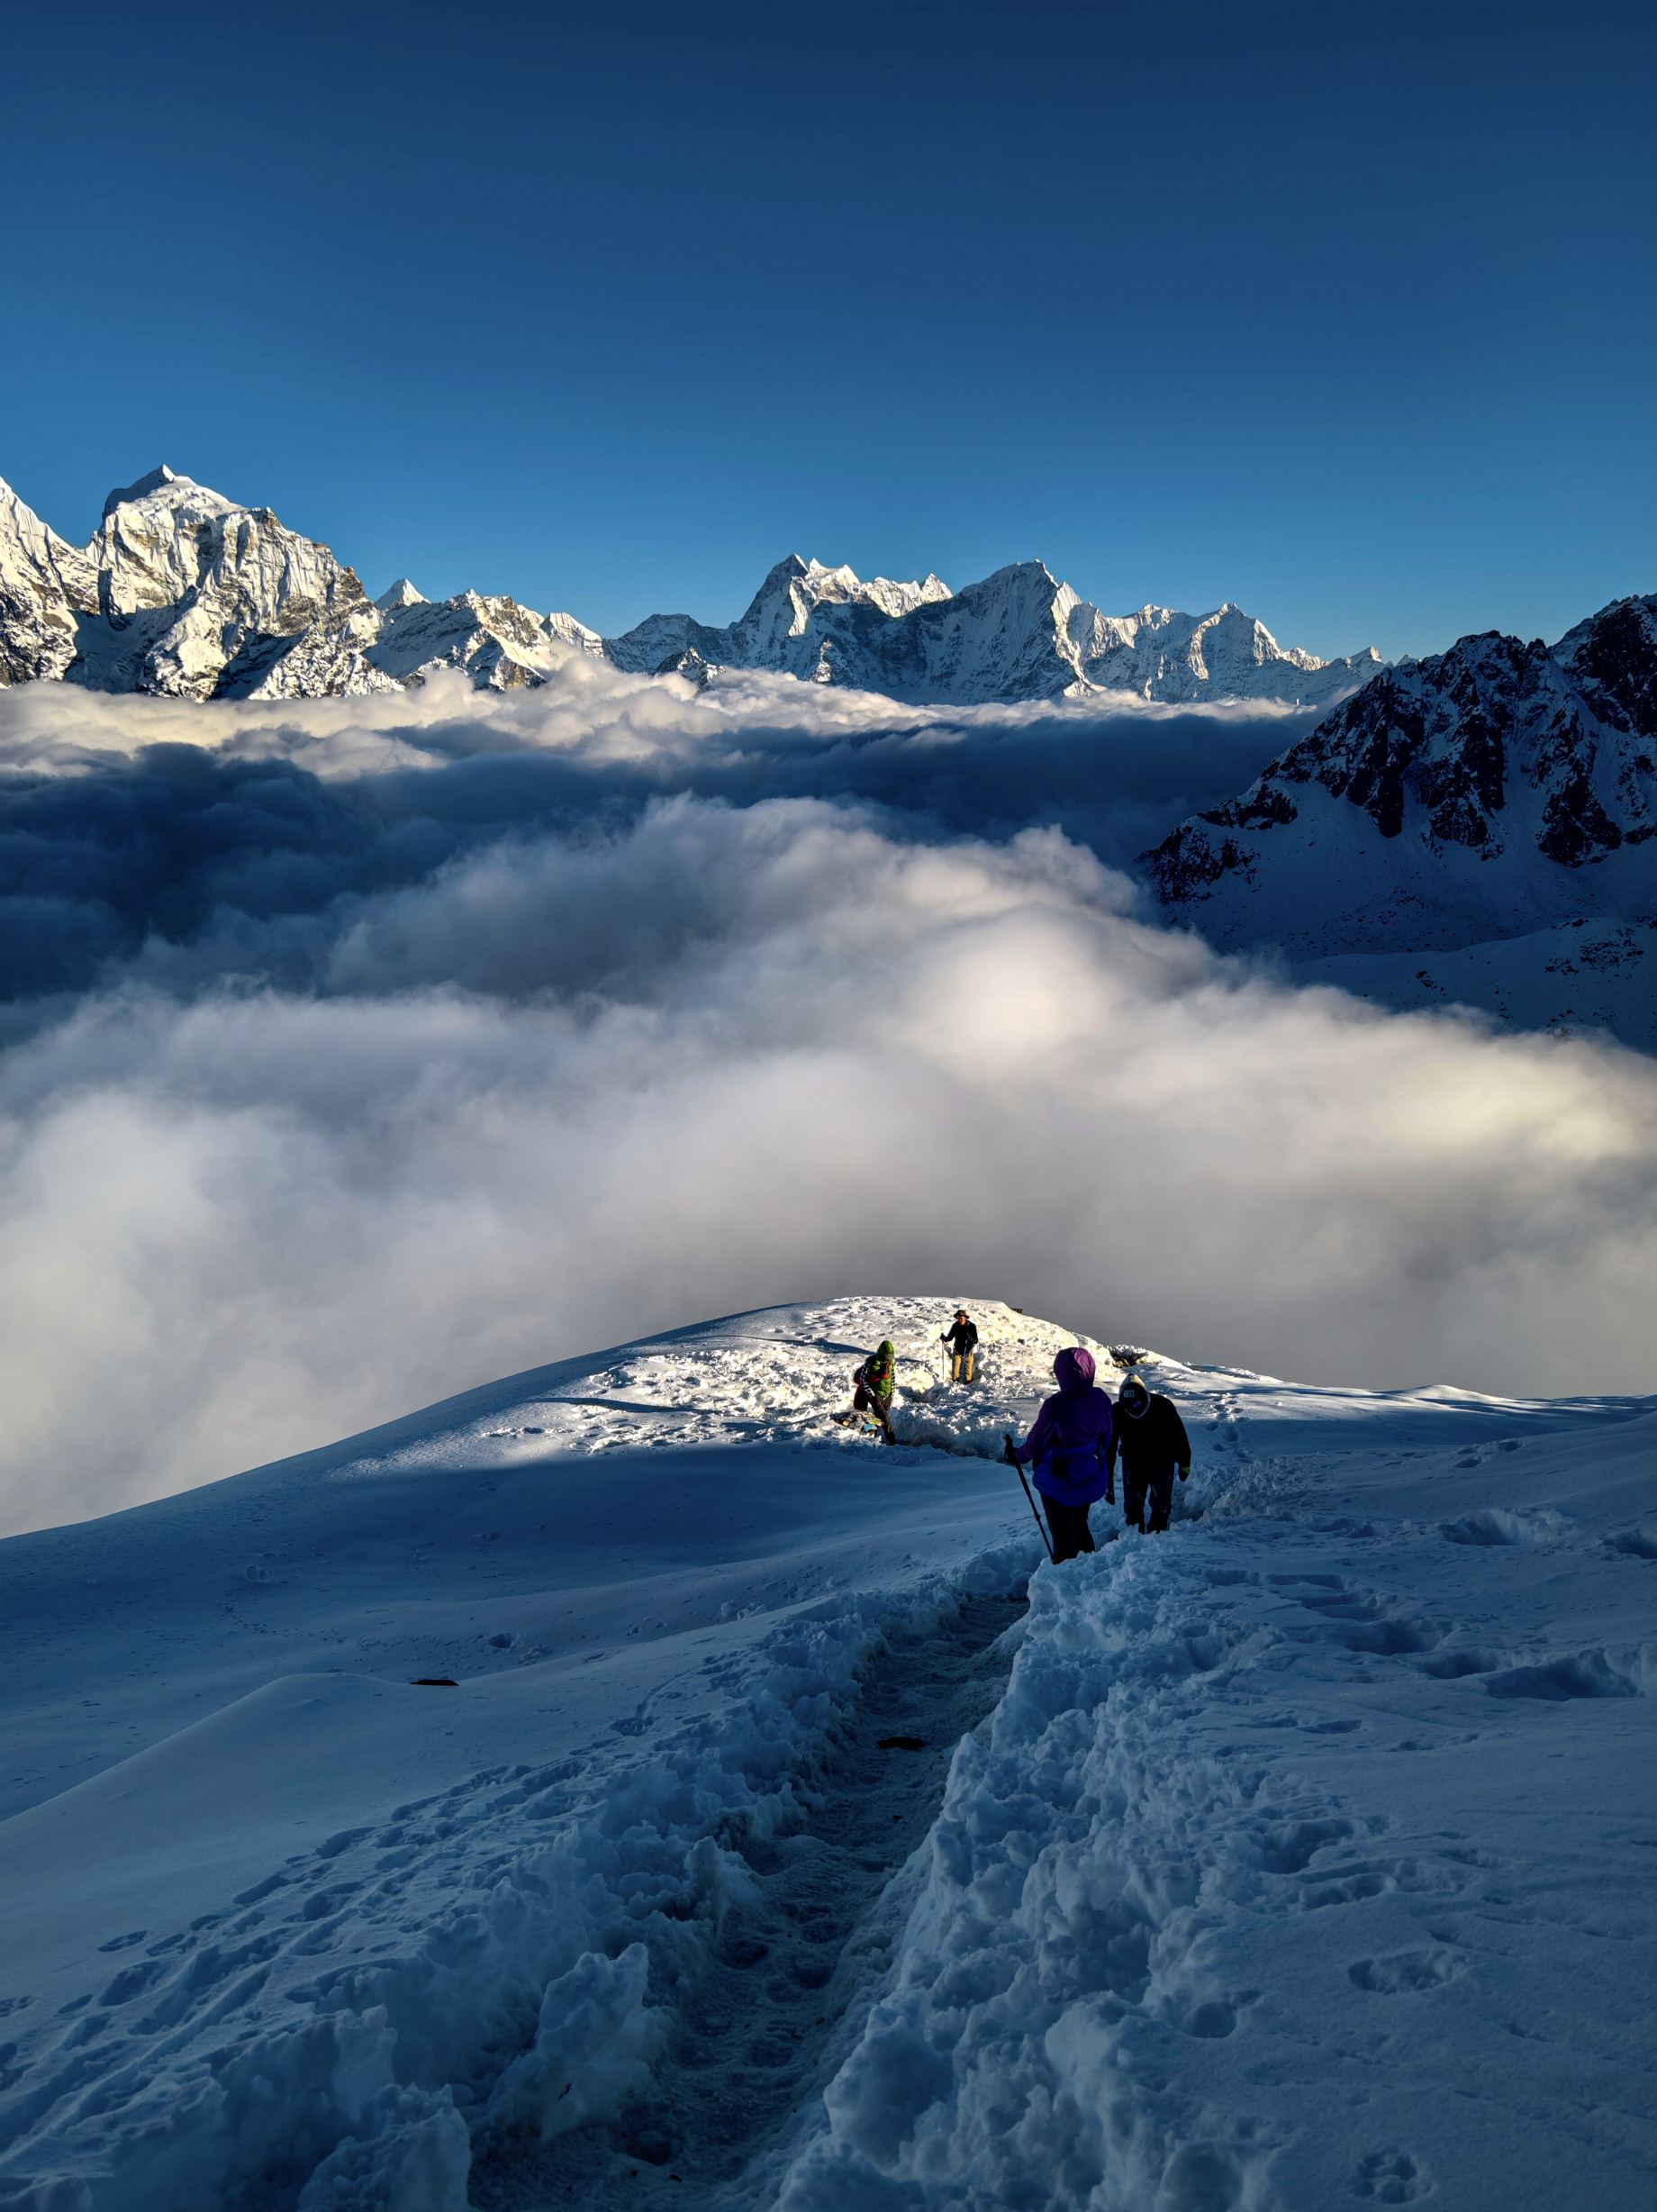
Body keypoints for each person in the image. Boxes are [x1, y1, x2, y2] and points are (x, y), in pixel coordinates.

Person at [1010, 1346, 1114, 1563]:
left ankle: (1064, 1579)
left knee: (1063, 1534)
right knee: (1080, 1523)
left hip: (1057, 1479)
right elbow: (1106, 1437)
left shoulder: (1055, 1406)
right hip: (1088, 1474)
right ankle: (1089, 1570)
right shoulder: (1101, 1399)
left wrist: (1016, 1456)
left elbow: (1036, 1442)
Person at [1109, 1373, 1191, 1534]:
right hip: (1133, 1463)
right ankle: (1134, 1539)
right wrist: (1108, 1483)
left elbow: (1179, 1436)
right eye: (1129, 1406)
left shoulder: (1163, 1405)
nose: (1133, 1408)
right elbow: (1109, 1447)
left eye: (1137, 1404)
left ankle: (1157, 1537)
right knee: (1132, 1506)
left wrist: (1185, 1463)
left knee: (1162, 1505)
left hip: (1162, 1461)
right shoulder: (1117, 1411)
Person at [847, 1339, 898, 1442]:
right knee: (885, 1419)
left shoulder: (891, 1362)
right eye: (886, 1358)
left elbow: (892, 1377)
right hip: (875, 1395)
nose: (888, 1360)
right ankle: (893, 1443)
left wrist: (892, 1393)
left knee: (877, 1419)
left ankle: (868, 1433)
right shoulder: (871, 1362)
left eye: (889, 1358)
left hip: (886, 1395)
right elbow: (863, 1379)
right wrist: (872, 1394)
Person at [940, 1309, 978, 1385]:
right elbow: (950, 1337)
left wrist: (970, 1338)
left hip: (968, 1349)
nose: (959, 1318)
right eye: (958, 1317)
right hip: (957, 1349)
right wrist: (944, 1338)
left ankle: (968, 1384)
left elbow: (975, 1340)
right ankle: (955, 1384)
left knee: (968, 1369)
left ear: (965, 1317)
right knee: (955, 1368)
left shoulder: (971, 1326)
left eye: (960, 1317)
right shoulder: (955, 1326)